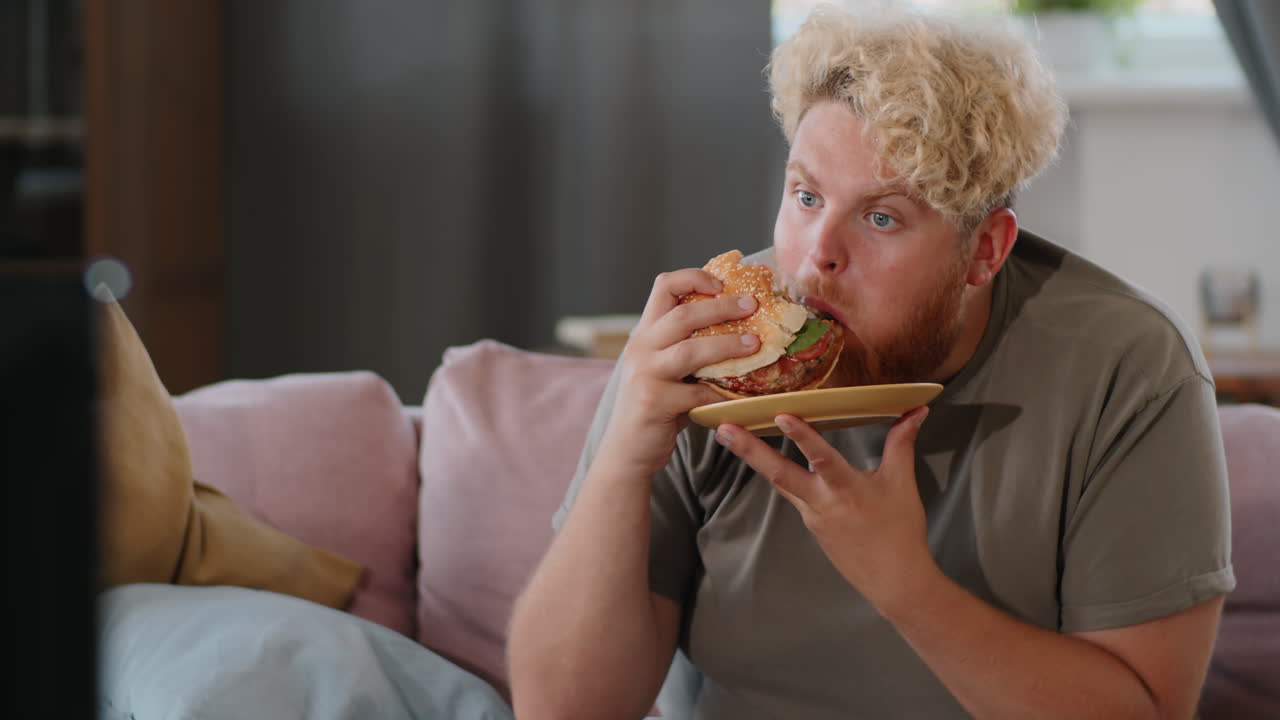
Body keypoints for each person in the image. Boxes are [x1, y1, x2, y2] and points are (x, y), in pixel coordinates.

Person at [507, 4, 1235, 719]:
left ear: (985, 250)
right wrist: (622, 463)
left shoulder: (1130, 369)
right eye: (805, 195)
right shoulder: (708, 344)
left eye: (881, 216)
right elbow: (560, 708)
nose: (816, 255)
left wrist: (907, 587)